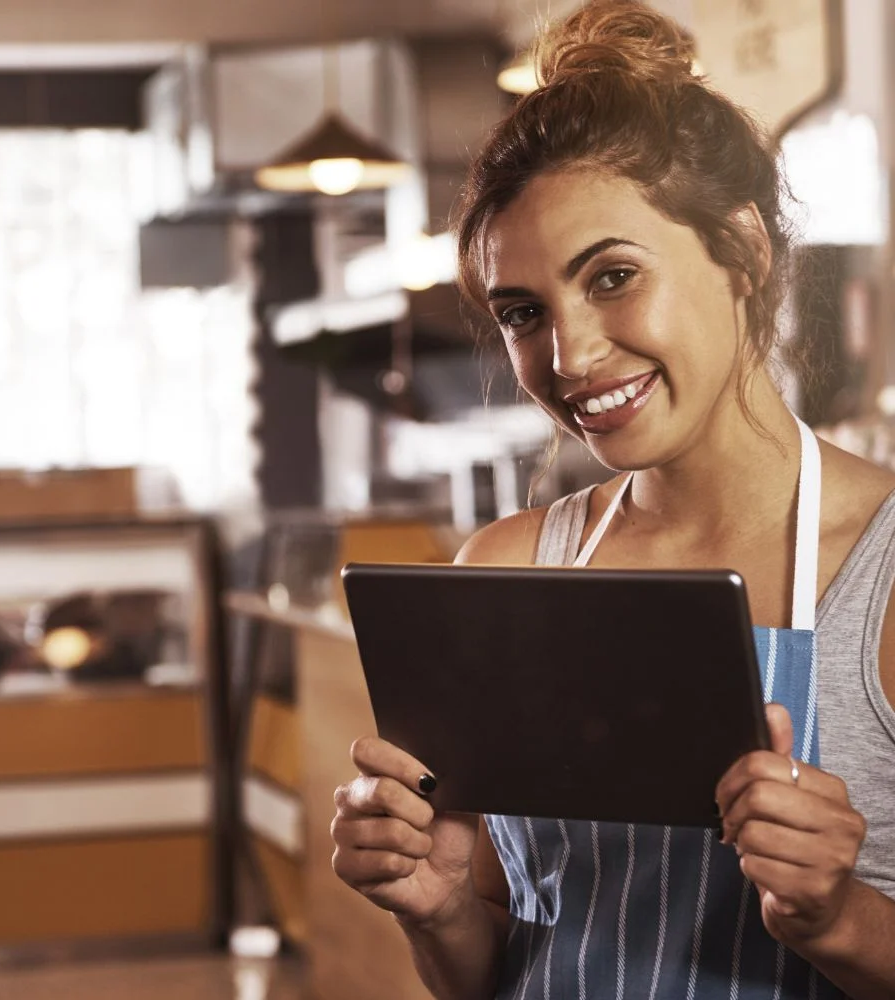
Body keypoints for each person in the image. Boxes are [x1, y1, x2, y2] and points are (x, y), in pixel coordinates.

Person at [329, 2, 895, 997]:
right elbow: (499, 969)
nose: (569, 356)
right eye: (522, 313)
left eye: (614, 276)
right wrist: (438, 903)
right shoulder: (504, 574)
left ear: (744, 252)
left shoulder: (883, 570)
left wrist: (834, 916)